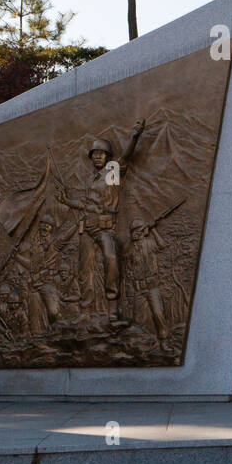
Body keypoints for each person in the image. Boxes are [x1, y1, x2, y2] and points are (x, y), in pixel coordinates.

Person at [56, 119, 146, 324]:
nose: (97, 156)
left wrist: (135, 136)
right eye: (94, 154)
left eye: (101, 153)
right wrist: (67, 201)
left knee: (111, 262)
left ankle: (113, 311)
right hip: (87, 228)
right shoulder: (90, 179)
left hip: (105, 228)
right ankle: (85, 312)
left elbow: (126, 157)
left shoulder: (112, 172)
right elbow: (86, 204)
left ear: (107, 157)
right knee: (84, 271)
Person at [127, 216, 171, 350]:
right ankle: (140, 344)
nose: (137, 233)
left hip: (152, 287)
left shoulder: (150, 242)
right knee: (138, 320)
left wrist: (153, 230)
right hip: (138, 289)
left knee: (158, 314)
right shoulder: (130, 247)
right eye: (134, 231)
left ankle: (163, 341)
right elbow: (125, 260)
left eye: (139, 230)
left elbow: (163, 245)